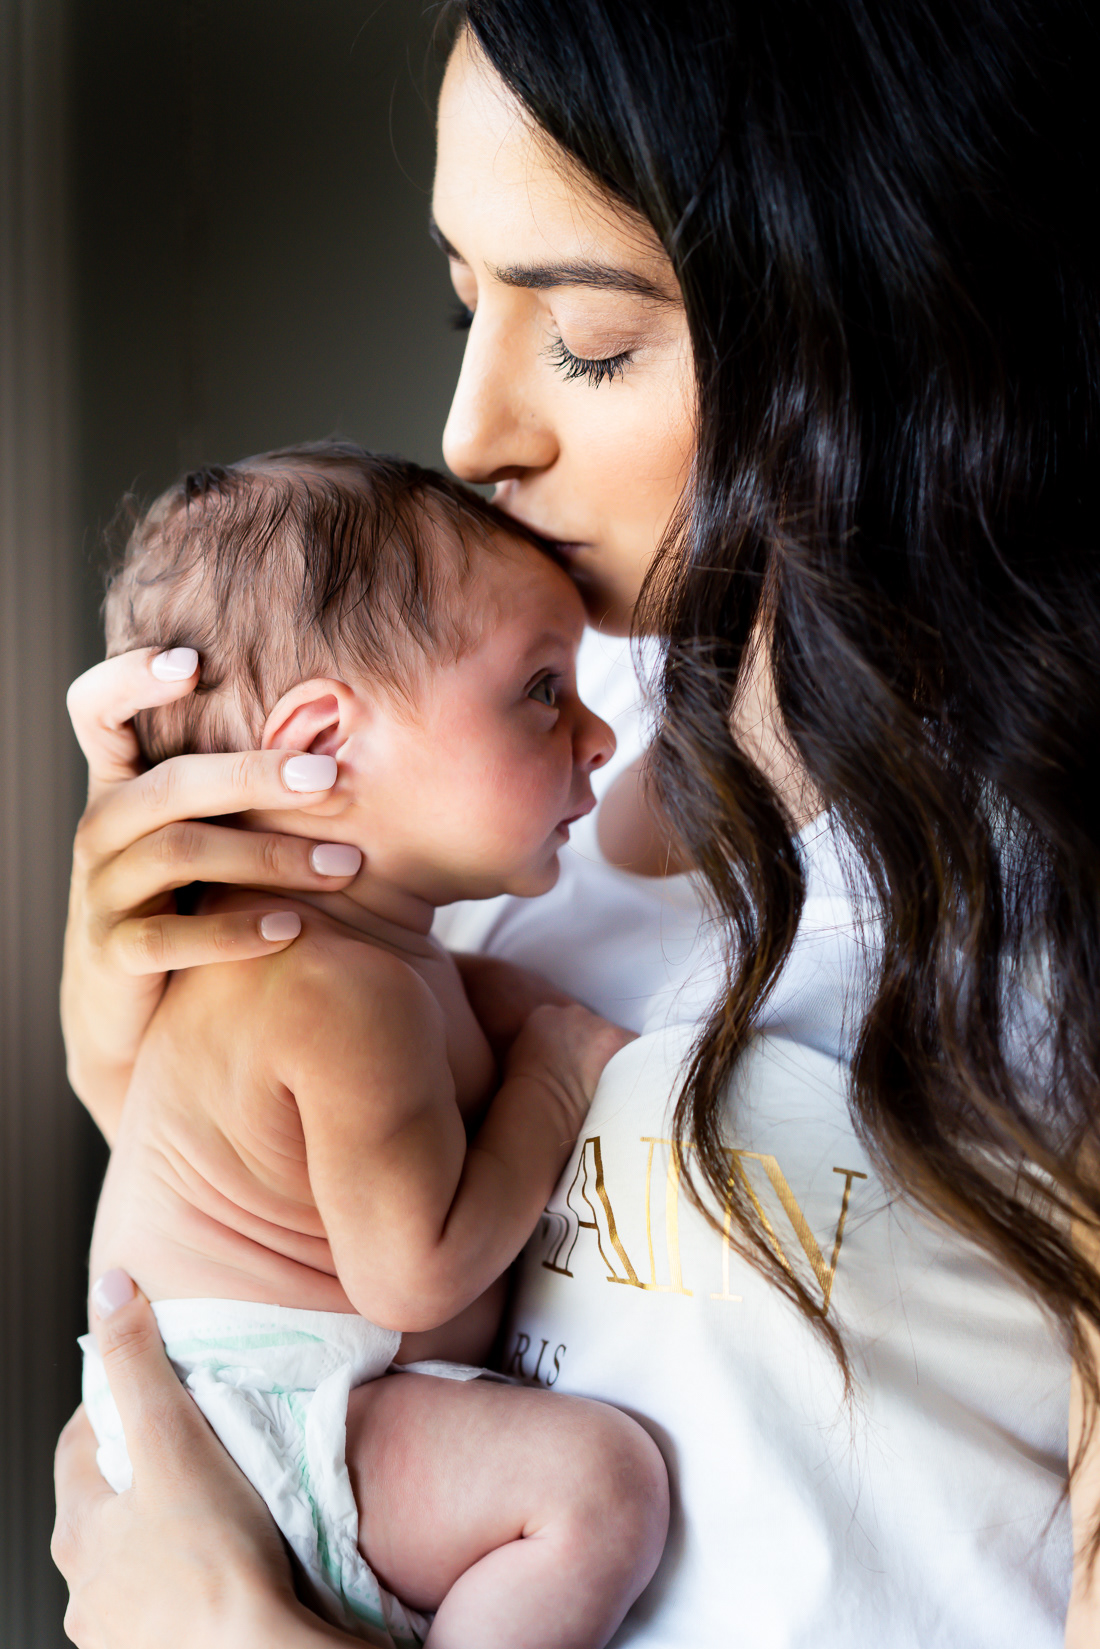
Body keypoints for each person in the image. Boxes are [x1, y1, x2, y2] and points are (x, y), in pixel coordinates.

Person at [51, 2, 1100, 1646]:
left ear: (881, 310)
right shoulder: (497, 737)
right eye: (463, 301)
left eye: (591, 337)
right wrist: (123, 1001)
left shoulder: (1046, 880)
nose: (471, 435)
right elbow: (267, 1222)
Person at [79, 442, 666, 1648]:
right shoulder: (337, 993)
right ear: (319, 744)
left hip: (273, 1403)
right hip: (267, 1423)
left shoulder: (360, 959)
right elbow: (416, 1271)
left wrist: (521, 1024)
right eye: (541, 689)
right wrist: (552, 1085)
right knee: (595, 1487)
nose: (597, 732)